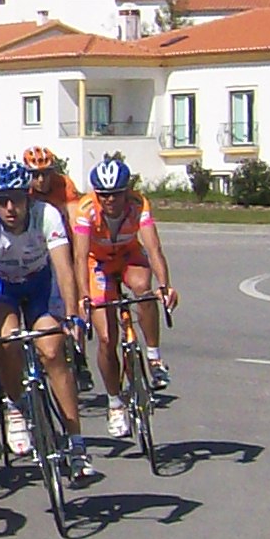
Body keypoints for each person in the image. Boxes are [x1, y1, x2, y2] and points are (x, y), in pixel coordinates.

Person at [0, 159, 95, 480]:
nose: (10, 208)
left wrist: (74, 316)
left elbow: (64, 270)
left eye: (16, 200)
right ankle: (16, 406)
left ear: (28, 198)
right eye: (2, 201)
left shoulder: (46, 215)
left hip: (40, 286)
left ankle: (76, 442)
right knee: (6, 339)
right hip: (3, 289)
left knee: (52, 350)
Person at [73, 155, 175, 431]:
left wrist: (165, 286)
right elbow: (80, 256)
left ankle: (153, 356)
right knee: (107, 338)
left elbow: (153, 248)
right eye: (104, 194)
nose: (109, 200)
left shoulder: (138, 203)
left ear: (126, 191)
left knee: (144, 288)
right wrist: (83, 296)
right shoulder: (85, 208)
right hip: (99, 264)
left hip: (128, 254)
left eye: (116, 194)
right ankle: (115, 403)